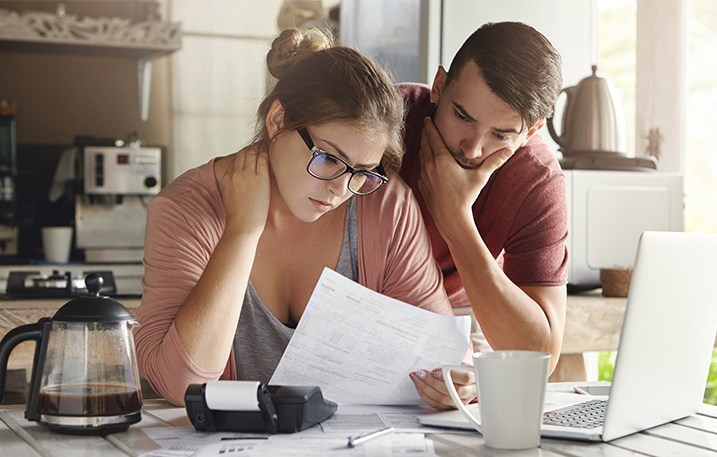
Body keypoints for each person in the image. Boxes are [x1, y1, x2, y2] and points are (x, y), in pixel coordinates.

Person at [133, 28, 475, 410]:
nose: (341, 189)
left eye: (362, 171)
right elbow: (182, 384)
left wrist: (456, 381)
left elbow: (441, 355)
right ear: (277, 120)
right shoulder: (186, 208)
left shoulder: (386, 206)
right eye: (328, 158)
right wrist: (242, 231)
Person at [398, 22, 569, 398]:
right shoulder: (385, 121)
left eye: (501, 135)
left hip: (466, 308)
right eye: (462, 116)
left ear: (532, 131)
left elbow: (540, 356)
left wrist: (456, 220)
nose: (473, 149)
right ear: (439, 87)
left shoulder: (536, 181)